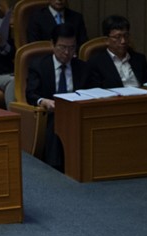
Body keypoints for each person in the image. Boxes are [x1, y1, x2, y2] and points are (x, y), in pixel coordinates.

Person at [26, 23, 92, 171]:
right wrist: (44, 101)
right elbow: (30, 94)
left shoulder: (83, 67)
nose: (67, 52)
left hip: (77, 111)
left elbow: (90, 91)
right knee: (57, 119)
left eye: (72, 47)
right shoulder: (39, 66)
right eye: (62, 47)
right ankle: (55, 168)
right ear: (52, 44)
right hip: (51, 112)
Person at [87, 15, 147, 89]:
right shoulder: (96, 63)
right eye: (118, 37)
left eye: (126, 36)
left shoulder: (139, 59)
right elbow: (96, 92)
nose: (123, 41)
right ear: (106, 40)